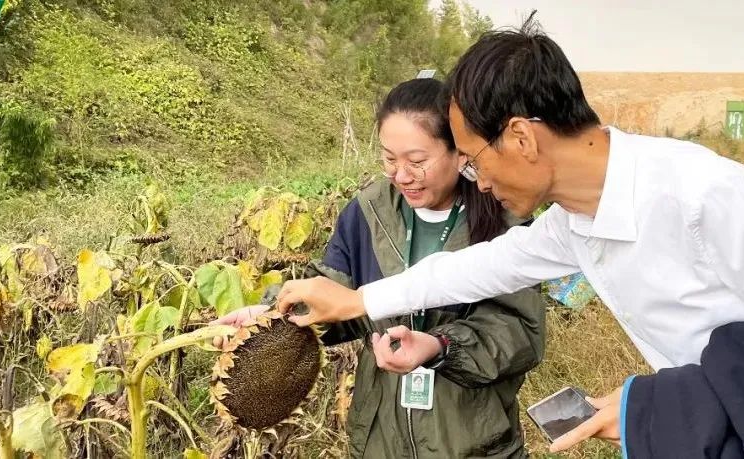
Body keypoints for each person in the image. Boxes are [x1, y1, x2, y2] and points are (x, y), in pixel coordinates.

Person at [270, 18, 744, 454]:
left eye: (474, 158)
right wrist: (356, 303)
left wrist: (661, 406)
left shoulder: (704, 196)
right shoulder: (576, 220)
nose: (477, 179)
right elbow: (480, 268)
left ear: (521, 138)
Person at [216, 78, 546, 458]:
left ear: (459, 152)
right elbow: (334, 295)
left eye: (417, 161)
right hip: (380, 440)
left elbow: (519, 334)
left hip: (474, 442)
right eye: (389, 159)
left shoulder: (502, 217)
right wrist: (271, 318)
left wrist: (439, 346)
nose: (401, 175)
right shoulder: (368, 212)